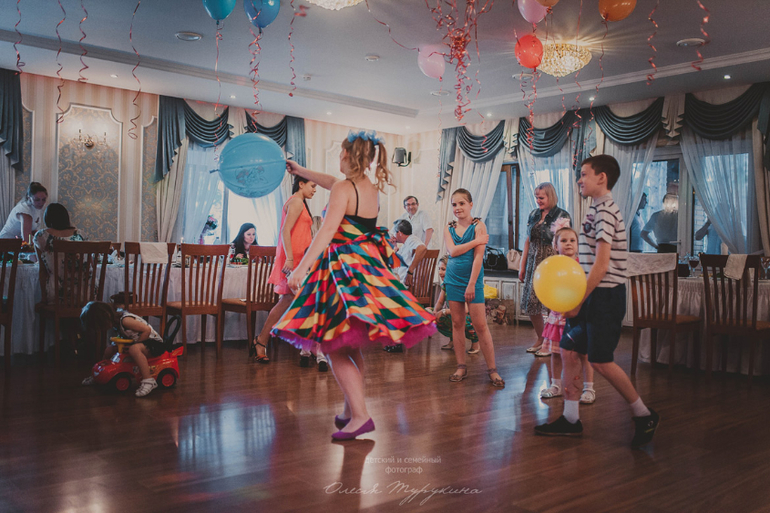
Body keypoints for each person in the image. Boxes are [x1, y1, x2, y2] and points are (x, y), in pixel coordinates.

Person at [271, 130, 436, 441]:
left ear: (347, 156)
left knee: (331, 345)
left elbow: (326, 232)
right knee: (350, 344)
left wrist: (300, 269)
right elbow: (332, 182)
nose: (338, 158)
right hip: (366, 269)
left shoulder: (343, 188)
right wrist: (301, 170)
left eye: (340, 154)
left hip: (343, 271)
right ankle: (350, 410)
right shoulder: (367, 188)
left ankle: (360, 415)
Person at [535, 155, 659, 449]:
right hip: (591, 293)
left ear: (601, 178)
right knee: (568, 350)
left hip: (605, 296)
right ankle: (571, 419)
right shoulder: (595, 208)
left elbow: (602, 266)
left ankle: (644, 414)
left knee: (601, 361)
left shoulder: (606, 212)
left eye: (584, 174)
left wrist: (578, 301)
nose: (580, 179)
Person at [251, 176, 326, 370]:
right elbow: (285, 231)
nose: (315, 189)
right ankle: (307, 346)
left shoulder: (299, 202)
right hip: (293, 261)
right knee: (299, 301)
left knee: (289, 301)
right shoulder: (296, 202)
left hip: (300, 260)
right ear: (301, 184)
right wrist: (290, 259)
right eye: (312, 185)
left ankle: (263, 341)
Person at [444, 188, 504, 387]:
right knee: (457, 324)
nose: (458, 207)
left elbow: (478, 258)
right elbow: (452, 252)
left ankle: (493, 370)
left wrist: (471, 284)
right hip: (452, 280)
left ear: (470, 204)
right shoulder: (449, 228)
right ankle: (461, 366)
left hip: (473, 281)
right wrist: (476, 241)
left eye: (462, 203)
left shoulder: (479, 226)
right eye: (454, 204)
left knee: (480, 326)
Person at [538, 221, 596, 406]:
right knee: (555, 353)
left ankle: (589, 388)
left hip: (579, 316)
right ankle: (556, 385)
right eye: (563, 240)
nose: (569, 243)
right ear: (556, 246)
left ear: (578, 244)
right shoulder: (552, 266)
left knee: (583, 354)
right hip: (558, 315)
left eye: (572, 240)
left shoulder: (583, 266)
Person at [519, 183, 571, 354]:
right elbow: (528, 240)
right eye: (536, 197)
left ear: (551, 196)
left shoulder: (562, 215)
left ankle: (551, 342)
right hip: (533, 261)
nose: (538, 200)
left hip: (551, 261)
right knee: (531, 303)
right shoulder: (533, 214)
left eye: (541, 197)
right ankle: (541, 338)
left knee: (551, 304)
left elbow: (566, 242)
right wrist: (522, 265)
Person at [80, 301, 164, 397]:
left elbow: (146, 330)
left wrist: (135, 344)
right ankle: (99, 375)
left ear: (106, 317)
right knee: (109, 349)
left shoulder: (125, 321)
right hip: (138, 342)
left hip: (153, 343)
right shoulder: (115, 322)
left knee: (134, 349)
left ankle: (148, 380)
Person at [33, 203, 85, 303]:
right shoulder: (81, 234)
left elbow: (42, 270)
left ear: (47, 219)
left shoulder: (41, 235)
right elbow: (90, 264)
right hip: (83, 292)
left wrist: (43, 298)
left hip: (56, 292)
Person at [434, 255, 479, 353]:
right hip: (453, 314)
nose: (440, 272)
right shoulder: (445, 285)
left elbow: (465, 310)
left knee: (463, 320)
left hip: (467, 316)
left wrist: (444, 311)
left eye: (443, 269)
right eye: (439, 269)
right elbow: (440, 302)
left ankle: (475, 342)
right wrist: (434, 312)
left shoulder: (459, 285)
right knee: (429, 313)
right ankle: (453, 340)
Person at [392, 220, 427, 287]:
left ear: (399, 233)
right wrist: (394, 246)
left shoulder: (412, 240)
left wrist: (410, 271)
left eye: (394, 233)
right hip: (402, 283)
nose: (394, 235)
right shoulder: (406, 243)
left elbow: (422, 248)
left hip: (408, 285)